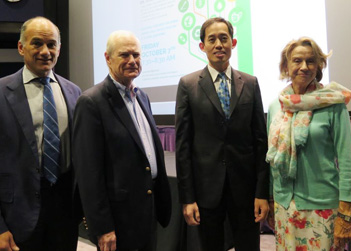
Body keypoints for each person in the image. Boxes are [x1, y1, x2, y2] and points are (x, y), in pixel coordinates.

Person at [175, 17, 269, 251]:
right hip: (207, 191)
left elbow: (260, 142)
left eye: (224, 38)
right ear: (202, 46)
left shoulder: (250, 83)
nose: (218, 44)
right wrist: (188, 198)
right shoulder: (188, 85)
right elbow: (183, 146)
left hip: (245, 191)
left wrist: (261, 192)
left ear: (233, 43)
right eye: (212, 39)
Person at [73, 30, 172, 251]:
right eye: (124, 55)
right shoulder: (91, 102)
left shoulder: (142, 96)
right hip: (118, 221)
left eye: (136, 55)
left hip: (147, 212)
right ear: (108, 58)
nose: (132, 61)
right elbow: (89, 173)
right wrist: (103, 227)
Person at [0, 16, 82, 251]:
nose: (45, 51)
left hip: (65, 212)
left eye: (52, 44)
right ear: (20, 47)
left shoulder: (74, 92)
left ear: (59, 48)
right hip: (17, 215)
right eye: (37, 43)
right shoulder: (1, 93)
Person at [266, 37, 351, 250]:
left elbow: (347, 159)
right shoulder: (276, 106)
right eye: (297, 61)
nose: (304, 67)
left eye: (311, 61)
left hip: (323, 207)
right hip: (284, 205)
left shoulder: (333, 103)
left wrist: (346, 212)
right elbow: (272, 157)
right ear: (286, 66)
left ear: (319, 66)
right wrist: (271, 199)